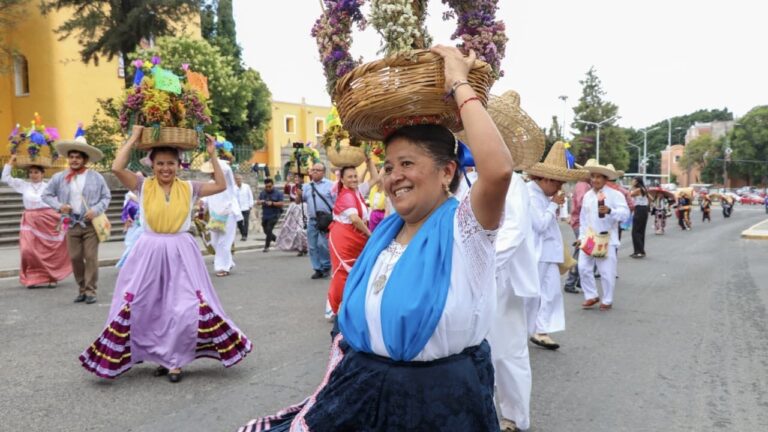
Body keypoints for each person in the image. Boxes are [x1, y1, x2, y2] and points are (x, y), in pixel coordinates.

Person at [239, 45, 513, 431]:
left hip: (437, 406)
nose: (392, 176)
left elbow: (499, 171)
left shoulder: (465, 228)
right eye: (388, 166)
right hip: (362, 393)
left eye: (407, 164)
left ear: (447, 171)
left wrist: (457, 82)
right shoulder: (385, 233)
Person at [79, 127, 251, 382]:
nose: (165, 168)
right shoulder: (142, 185)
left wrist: (213, 155)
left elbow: (220, 184)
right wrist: (134, 138)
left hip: (181, 252)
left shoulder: (190, 188)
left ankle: (175, 360)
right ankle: (160, 355)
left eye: (170, 163)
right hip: (148, 253)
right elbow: (116, 168)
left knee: (185, 307)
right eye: (160, 163)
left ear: (179, 165)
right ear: (152, 165)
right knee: (145, 306)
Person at [525, 142, 589, 350]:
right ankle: (524, 332)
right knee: (532, 296)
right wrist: (554, 204)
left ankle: (540, 330)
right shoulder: (529, 194)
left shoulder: (544, 195)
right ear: (545, 179)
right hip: (537, 252)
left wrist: (554, 204)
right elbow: (540, 225)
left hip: (548, 252)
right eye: (557, 183)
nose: (559, 188)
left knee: (551, 293)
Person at [43, 133, 111, 304]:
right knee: (74, 257)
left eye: (78, 157)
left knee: (90, 257)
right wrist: (60, 206)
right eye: (71, 157)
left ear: (85, 159)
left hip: (90, 225)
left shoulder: (96, 177)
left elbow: (106, 197)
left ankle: (90, 290)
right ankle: (81, 288)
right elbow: (46, 194)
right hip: (71, 223)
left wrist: (95, 210)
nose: (74, 160)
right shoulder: (59, 177)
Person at [3, 155, 72, 288]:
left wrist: (64, 216)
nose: (33, 175)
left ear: (42, 173)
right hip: (29, 220)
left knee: (48, 251)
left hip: (48, 219)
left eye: (36, 172)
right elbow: (6, 178)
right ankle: (32, 278)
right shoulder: (23, 185)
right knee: (27, 250)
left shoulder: (49, 187)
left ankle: (51, 276)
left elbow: (59, 201)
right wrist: (10, 162)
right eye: (31, 172)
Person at [327, 157, 379, 314]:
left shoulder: (357, 192)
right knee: (343, 272)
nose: (354, 179)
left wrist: (369, 161)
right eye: (349, 177)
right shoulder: (346, 196)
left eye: (355, 176)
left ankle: (351, 304)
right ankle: (337, 308)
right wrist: (370, 235)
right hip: (344, 240)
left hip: (356, 239)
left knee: (355, 271)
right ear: (342, 179)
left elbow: (376, 178)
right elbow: (355, 220)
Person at [578, 160, 630, 311]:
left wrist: (610, 211)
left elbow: (625, 214)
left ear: (606, 178)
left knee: (606, 272)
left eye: (598, 177)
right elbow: (583, 218)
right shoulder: (587, 195)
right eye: (592, 176)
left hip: (607, 237)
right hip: (589, 237)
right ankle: (591, 295)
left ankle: (607, 299)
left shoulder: (615, 195)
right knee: (583, 267)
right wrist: (581, 237)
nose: (595, 180)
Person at [200, 157, 242, 276]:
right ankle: (228, 262)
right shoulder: (209, 184)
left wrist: (215, 160)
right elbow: (205, 199)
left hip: (228, 215)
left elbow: (228, 171)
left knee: (223, 242)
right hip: (215, 217)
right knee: (214, 242)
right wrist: (202, 206)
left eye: (214, 172)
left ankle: (222, 267)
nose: (212, 174)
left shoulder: (228, 183)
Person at [299, 162, 335, 279]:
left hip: (326, 219)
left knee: (322, 244)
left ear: (323, 172)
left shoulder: (331, 185)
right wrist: (298, 194)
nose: (314, 172)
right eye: (313, 170)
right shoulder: (306, 186)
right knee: (313, 246)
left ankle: (326, 266)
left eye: (318, 170)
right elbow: (298, 201)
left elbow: (336, 202)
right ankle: (317, 268)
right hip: (313, 220)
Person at [563, 178, 591, 294]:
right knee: (581, 253)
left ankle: (578, 279)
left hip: (581, 223)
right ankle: (571, 281)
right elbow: (581, 203)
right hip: (581, 223)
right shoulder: (583, 185)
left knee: (583, 252)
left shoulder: (583, 185)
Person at [276, 176, 308, 256]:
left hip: (303, 208)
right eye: (295, 177)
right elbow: (286, 191)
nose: (296, 179)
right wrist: (287, 181)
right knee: (291, 229)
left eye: (298, 177)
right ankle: (298, 247)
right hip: (293, 208)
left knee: (301, 230)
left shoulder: (306, 187)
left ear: (302, 179)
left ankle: (305, 247)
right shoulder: (291, 186)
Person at [257, 178, 284, 252]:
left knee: (269, 229)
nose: (268, 188)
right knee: (266, 231)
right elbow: (258, 202)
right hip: (265, 214)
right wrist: (260, 202)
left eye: (270, 186)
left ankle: (266, 246)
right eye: (266, 187)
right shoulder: (263, 193)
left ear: (273, 185)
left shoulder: (278, 193)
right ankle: (278, 240)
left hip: (275, 214)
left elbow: (281, 203)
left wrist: (272, 203)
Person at [630, 177, 649, 258]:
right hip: (644, 210)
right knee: (641, 231)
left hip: (639, 209)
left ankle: (639, 251)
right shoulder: (644, 189)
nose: (632, 181)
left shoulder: (638, 190)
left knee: (635, 231)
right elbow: (650, 198)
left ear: (637, 181)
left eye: (633, 180)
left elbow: (629, 194)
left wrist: (631, 187)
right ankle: (639, 251)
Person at [235, 174, 254, 241]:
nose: (238, 180)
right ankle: (243, 233)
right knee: (239, 222)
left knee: (245, 221)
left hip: (246, 207)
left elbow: (250, 196)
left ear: (242, 179)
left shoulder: (246, 187)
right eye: (237, 179)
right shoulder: (234, 188)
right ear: (235, 180)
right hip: (237, 208)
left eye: (239, 179)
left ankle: (244, 235)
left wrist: (250, 205)